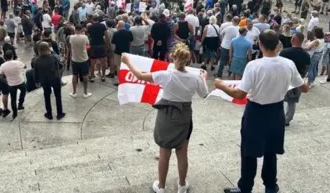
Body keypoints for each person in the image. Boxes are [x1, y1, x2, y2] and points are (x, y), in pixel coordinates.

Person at [215, 30, 309, 193]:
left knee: (249, 152)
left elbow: (239, 93)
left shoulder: (254, 66)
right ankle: (271, 186)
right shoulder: (288, 64)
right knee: (271, 152)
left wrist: (221, 85)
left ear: (260, 44)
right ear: (278, 44)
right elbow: (304, 88)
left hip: (255, 112)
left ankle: (245, 187)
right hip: (276, 111)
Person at [121, 42, 208, 193]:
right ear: (188, 60)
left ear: (172, 57)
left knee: (164, 152)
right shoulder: (196, 78)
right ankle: (181, 185)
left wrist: (128, 61)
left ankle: (161, 186)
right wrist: (204, 77)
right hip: (185, 116)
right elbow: (204, 94)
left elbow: (140, 75)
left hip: (166, 115)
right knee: (182, 152)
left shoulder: (165, 75)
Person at [278, 32, 311, 126]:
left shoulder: (284, 52)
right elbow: (306, 69)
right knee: (292, 102)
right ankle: (287, 120)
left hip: (284, 80)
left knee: (278, 99)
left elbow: (279, 66)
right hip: (297, 80)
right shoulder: (306, 55)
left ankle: (278, 117)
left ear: (293, 39)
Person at [33, 42, 65, 120]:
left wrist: (37, 81)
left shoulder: (36, 60)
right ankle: (59, 113)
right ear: (48, 48)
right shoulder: (53, 57)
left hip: (44, 80)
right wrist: (52, 51)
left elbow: (35, 73)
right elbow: (60, 63)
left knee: (47, 97)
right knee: (58, 96)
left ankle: (49, 114)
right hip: (55, 78)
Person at [0, 49, 26, 119]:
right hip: (20, 81)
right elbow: (25, 66)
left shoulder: (2, 65)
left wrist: (6, 81)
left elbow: (1, 76)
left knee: (13, 99)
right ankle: (20, 104)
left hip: (11, 84)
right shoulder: (18, 62)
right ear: (12, 55)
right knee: (23, 92)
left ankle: (14, 113)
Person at [69, 24, 92, 97]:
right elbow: (88, 43)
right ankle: (85, 93)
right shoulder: (84, 37)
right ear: (82, 30)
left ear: (75, 30)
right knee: (85, 75)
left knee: (75, 75)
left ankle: (74, 92)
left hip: (75, 59)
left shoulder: (71, 37)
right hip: (84, 59)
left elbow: (70, 44)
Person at [88, 15, 109, 82]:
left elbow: (88, 37)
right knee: (103, 61)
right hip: (101, 44)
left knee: (92, 62)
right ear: (98, 19)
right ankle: (103, 76)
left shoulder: (90, 27)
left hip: (93, 45)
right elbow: (106, 35)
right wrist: (107, 44)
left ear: (92, 19)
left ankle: (92, 76)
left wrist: (89, 44)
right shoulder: (102, 26)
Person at [112, 20, 134, 85]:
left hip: (118, 51)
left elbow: (114, 44)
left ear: (118, 25)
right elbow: (130, 41)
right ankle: (126, 79)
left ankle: (119, 80)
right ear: (124, 25)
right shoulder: (129, 32)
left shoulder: (116, 33)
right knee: (126, 65)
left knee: (118, 66)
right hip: (126, 51)